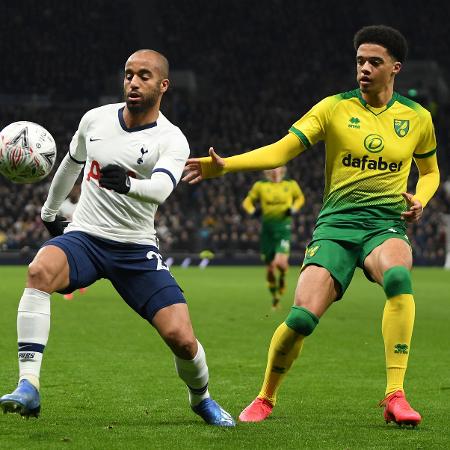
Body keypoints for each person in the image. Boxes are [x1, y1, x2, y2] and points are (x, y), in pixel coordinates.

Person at [183, 25, 440, 427]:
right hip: (336, 226)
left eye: (374, 62)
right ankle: (265, 397)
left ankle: (395, 394)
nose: (364, 69)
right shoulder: (334, 108)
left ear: (395, 68)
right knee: (301, 318)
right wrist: (226, 165)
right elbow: (283, 149)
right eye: (359, 62)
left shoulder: (417, 118)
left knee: (398, 278)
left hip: (384, 224)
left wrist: (422, 197)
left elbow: (429, 171)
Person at [0, 49, 235, 427]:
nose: (133, 83)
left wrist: (128, 184)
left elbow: (160, 189)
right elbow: (71, 162)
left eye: (144, 76)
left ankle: (202, 398)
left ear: (163, 85)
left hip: (135, 249)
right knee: (39, 270)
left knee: (182, 339)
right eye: (128, 75)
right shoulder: (95, 119)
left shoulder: (172, 139)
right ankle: (28, 385)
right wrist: (49, 210)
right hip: (87, 238)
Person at [242, 167, 304, 308]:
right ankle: (275, 297)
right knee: (270, 269)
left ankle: (282, 277)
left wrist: (293, 209)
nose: (276, 170)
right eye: (272, 168)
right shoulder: (260, 186)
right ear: (267, 171)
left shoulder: (291, 184)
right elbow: (247, 202)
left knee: (280, 264)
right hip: (267, 231)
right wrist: (253, 212)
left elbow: (300, 198)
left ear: (283, 169)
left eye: (278, 167)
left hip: (283, 228)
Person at [57, 185, 87, 300]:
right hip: (66, 236)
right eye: (73, 190)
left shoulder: (83, 203)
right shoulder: (63, 205)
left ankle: (80, 285)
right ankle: (68, 289)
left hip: (81, 235)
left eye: (77, 190)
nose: (75, 192)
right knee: (67, 263)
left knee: (81, 262)